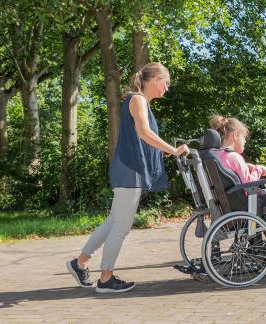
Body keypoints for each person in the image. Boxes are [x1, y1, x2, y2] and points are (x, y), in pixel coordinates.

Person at [66, 63, 190, 293]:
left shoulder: (139, 101)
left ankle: (80, 262)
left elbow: (144, 138)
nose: (167, 88)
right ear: (155, 79)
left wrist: (166, 150)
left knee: (113, 221)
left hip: (128, 168)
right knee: (121, 227)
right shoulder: (138, 100)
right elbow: (144, 133)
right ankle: (105, 278)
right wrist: (173, 151)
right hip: (130, 170)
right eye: (166, 82)